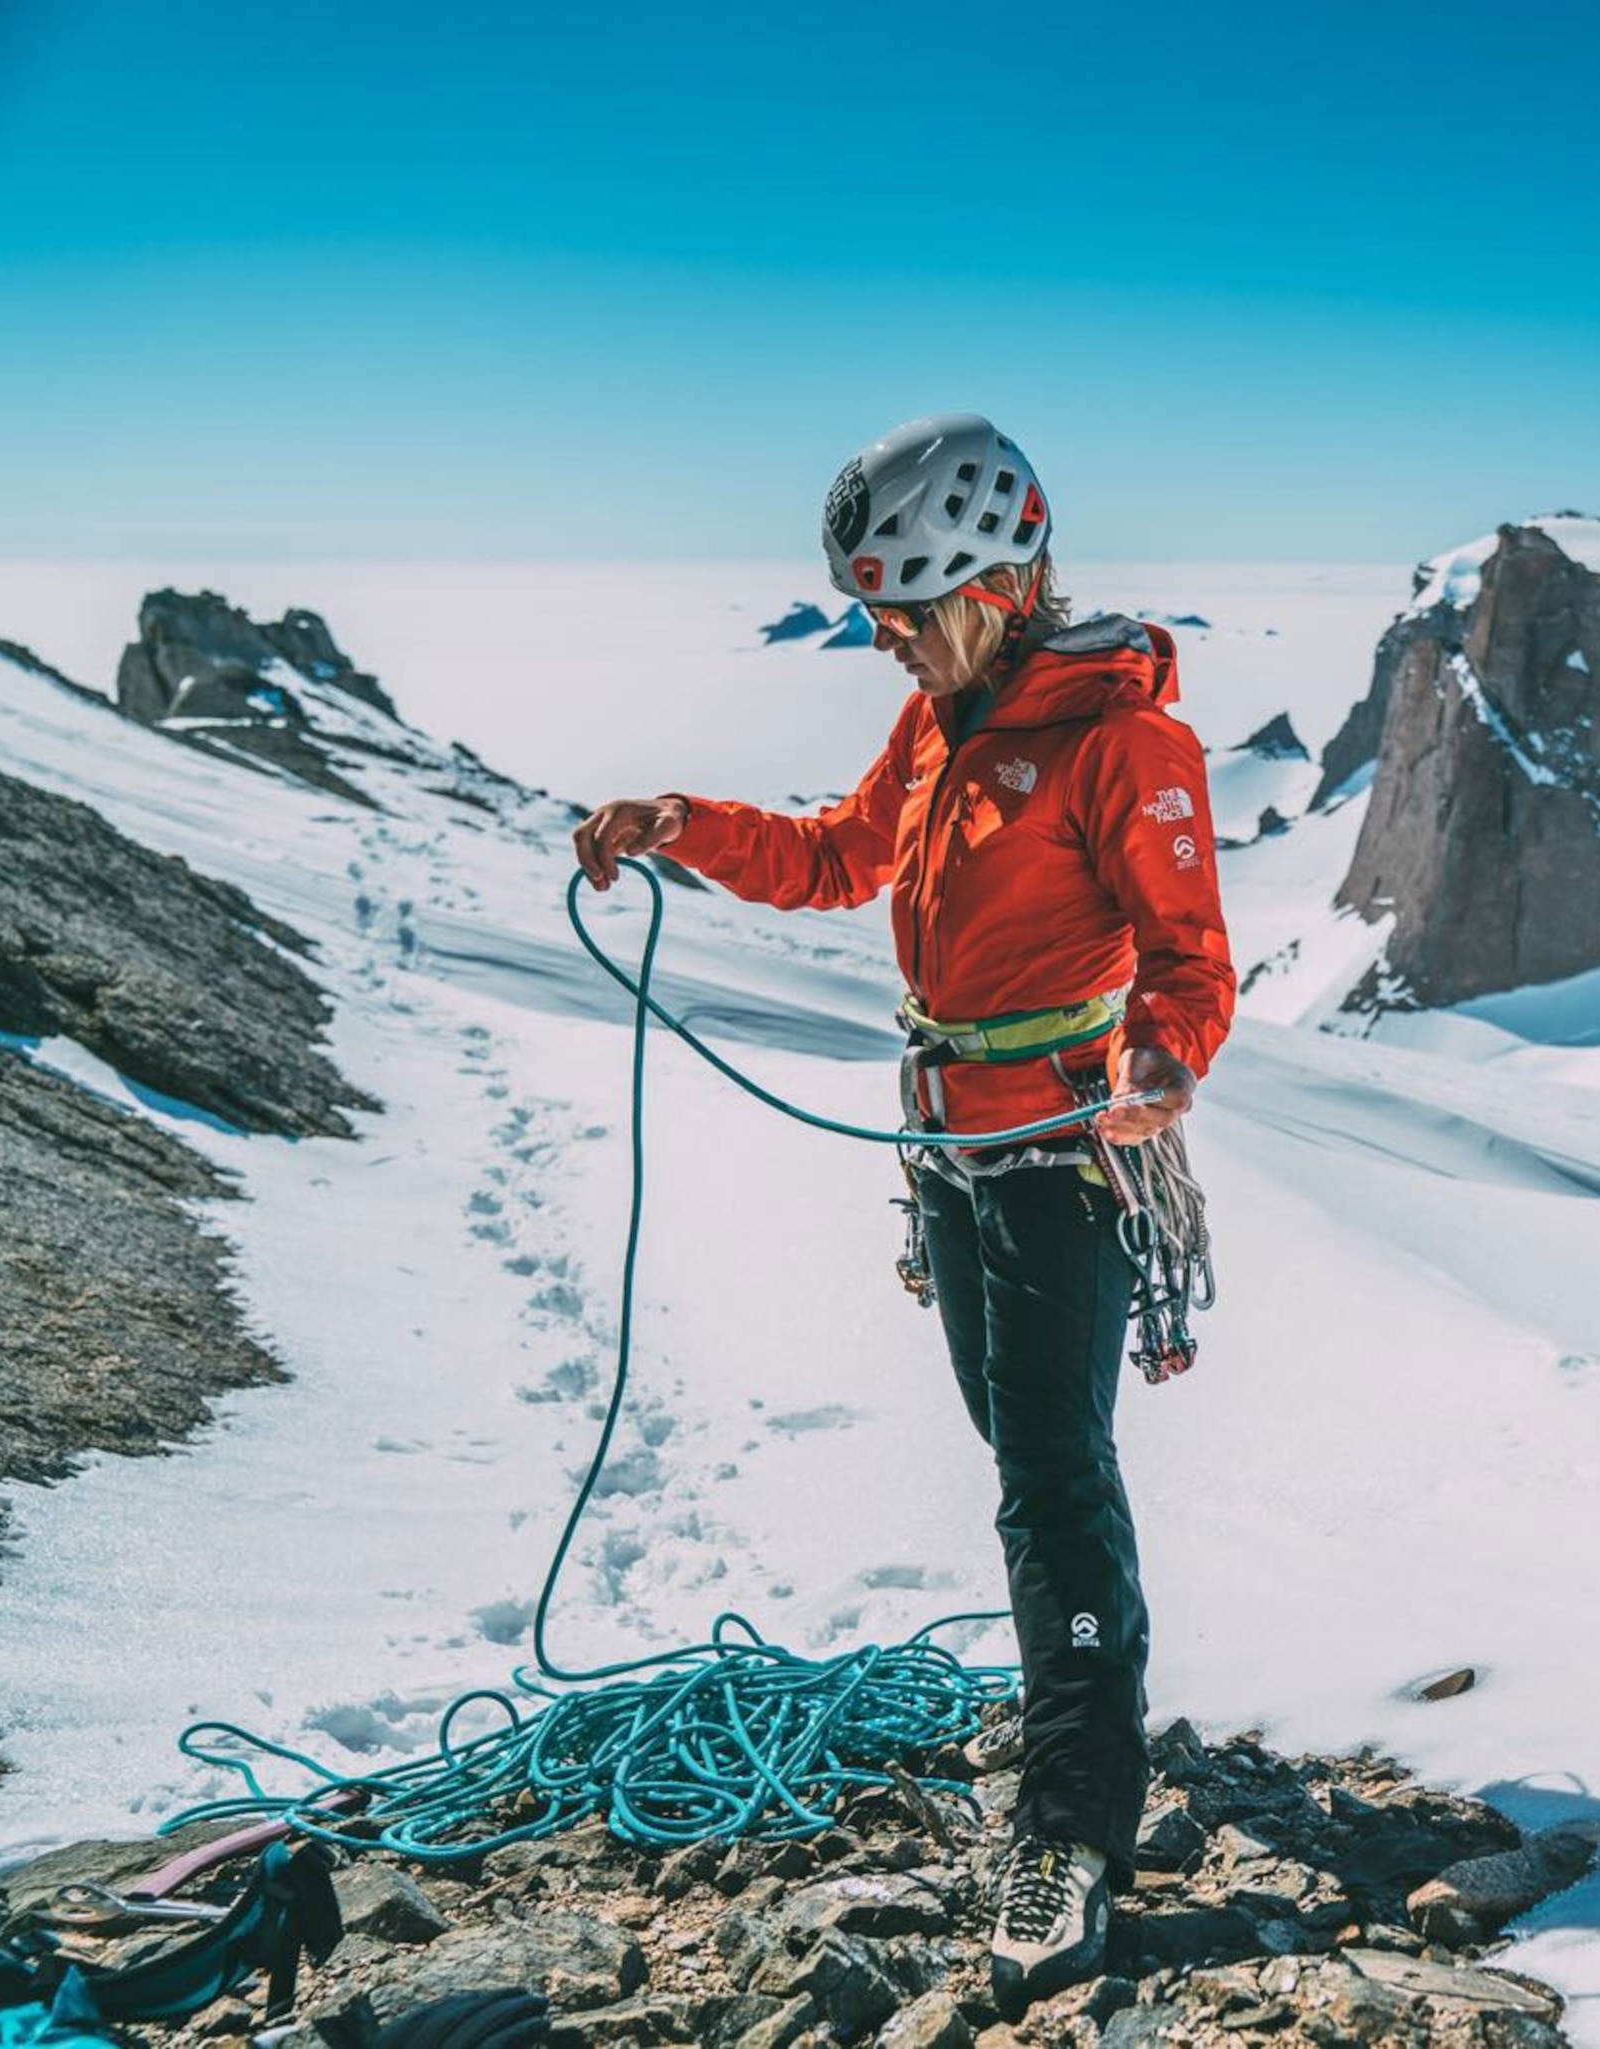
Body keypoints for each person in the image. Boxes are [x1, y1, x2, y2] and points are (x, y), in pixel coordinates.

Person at [570, 413, 1234, 2013]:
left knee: (1056, 1482)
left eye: (906, 612)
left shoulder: (1118, 743)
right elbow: (838, 858)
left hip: (1067, 1157)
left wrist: (1160, 1058)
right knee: (1025, 1466)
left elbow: (1189, 960)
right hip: (951, 1151)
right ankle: (1081, 1737)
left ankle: (1073, 1823)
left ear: (999, 583)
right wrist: (682, 825)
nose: (885, 642)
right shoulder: (946, 724)